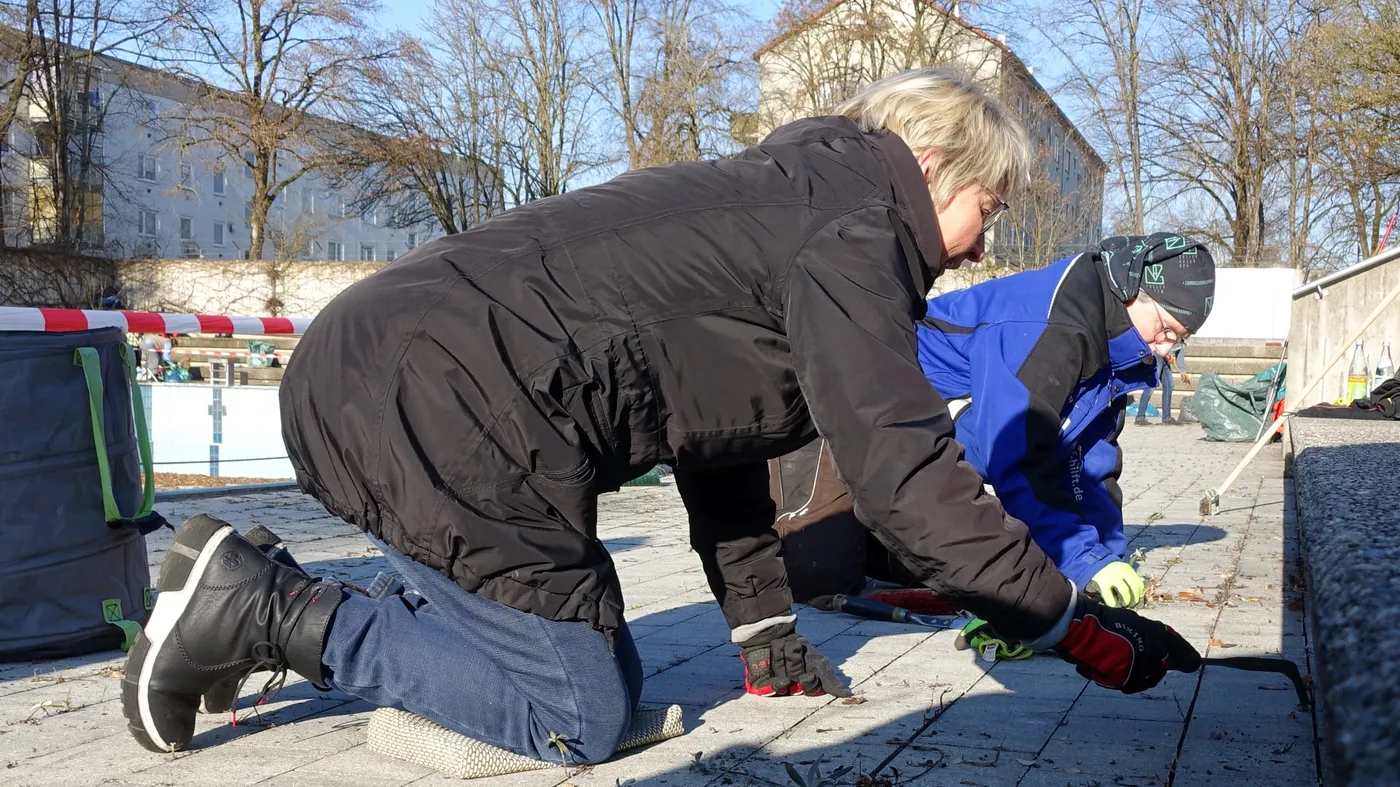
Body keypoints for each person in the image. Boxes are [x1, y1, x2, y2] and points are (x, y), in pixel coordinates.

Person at [121, 67, 1201, 764]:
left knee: (603, 678)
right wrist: (1066, 623)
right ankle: (275, 611)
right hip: (445, 404)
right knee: (579, 714)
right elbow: (903, 473)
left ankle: (257, 592)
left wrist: (761, 627)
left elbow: (710, 429)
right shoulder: (853, 230)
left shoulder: (793, 203)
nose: (978, 243)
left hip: (396, 379)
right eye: (986, 208)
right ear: (931, 168)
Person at [776, 234, 1216, 617]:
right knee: (818, 579)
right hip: (859, 408)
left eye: (1179, 338)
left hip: (942, 430)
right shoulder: (1054, 328)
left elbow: (1090, 465)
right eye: (1164, 328)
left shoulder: (1120, 347)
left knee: (924, 557)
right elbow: (1019, 455)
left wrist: (1107, 556)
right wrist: (1081, 562)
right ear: (1131, 290)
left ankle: (887, 542)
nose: (1165, 348)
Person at [1137, 345, 1191, 426]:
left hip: (1166, 360)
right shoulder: (1172, 332)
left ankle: (1167, 418)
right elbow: (1160, 342)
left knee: (1169, 386)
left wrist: (1183, 372)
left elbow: (1179, 353)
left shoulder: (1182, 339)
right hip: (1157, 356)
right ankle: (1140, 417)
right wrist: (1166, 354)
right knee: (1151, 386)